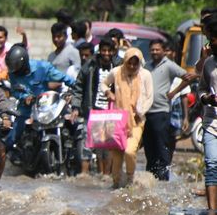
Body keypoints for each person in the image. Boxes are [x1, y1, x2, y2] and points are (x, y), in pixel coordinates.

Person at [4, 44, 74, 155]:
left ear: (24, 63)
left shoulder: (43, 67)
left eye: (16, 67)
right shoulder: (13, 74)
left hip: (47, 108)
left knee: (72, 123)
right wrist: (24, 97)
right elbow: (14, 91)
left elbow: (64, 78)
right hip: (27, 110)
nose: (15, 71)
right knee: (10, 140)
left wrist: (75, 89)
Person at [142, 39, 196, 180]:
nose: (154, 52)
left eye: (157, 49)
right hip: (146, 112)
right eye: (152, 49)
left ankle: (163, 179)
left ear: (163, 51)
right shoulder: (146, 66)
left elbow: (188, 77)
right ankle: (150, 178)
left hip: (161, 112)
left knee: (162, 146)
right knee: (149, 147)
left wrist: (174, 92)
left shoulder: (169, 65)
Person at [100, 47, 153, 188]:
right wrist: (108, 93)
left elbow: (149, 98)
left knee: (130, 151)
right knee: (116, 156)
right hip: (118, 120)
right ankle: (116, 184)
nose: (132, 66)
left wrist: (140, 112)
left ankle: (130, 179)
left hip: (136, 120)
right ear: (125, 61)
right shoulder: (116, 72)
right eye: (129, 63)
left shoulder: (145, 75)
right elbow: (103, 83)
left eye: (135, 63)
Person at [71, 37, 122, 175]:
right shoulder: (90, 65)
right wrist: (75, 107)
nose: (106, 53)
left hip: (111, 112)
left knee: (107, 147)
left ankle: (106, 176)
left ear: (113, 51)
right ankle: (84, 175)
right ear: (99, 50)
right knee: (87, 144)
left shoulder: (119, 66)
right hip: (92, 111)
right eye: (104, 50)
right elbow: (78, 87)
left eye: (109, 51)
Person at [198, 13, 217, 209]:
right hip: (211, 122)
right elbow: (202, 88)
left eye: (213, 39)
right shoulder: (209, 63)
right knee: (211, 164)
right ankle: (212, 211)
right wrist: (206, 98)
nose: (211, 44)